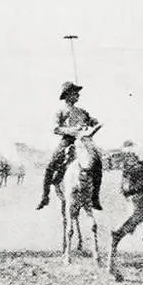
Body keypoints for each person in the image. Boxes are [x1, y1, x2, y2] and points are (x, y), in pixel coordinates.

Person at [36, 81, 103, 210]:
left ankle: (95, 197)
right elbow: (55, 129)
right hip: (68, 141)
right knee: (51, 165)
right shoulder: (60, 112)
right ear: (67, 95)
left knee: (98, 162)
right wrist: (73, 130)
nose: (78, 95)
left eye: (77, 93)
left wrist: (93, 125)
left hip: (84, 141)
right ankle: (45, 196)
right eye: (75, 93)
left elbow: (94, 122)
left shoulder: (83, 112)